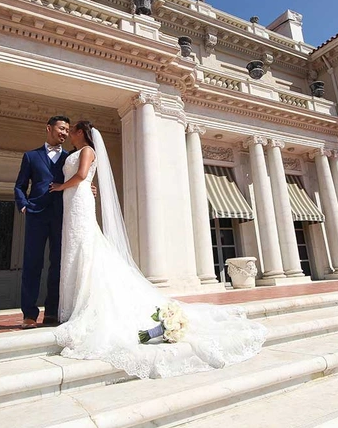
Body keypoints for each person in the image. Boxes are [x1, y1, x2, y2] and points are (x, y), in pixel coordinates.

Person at [49, 120, 267, 379]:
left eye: (72, 130)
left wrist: (62, 186)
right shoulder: (76, 152)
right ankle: (75, 302)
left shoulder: (86, 151)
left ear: (80, 133)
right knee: (78, 246)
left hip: (77, 196)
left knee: (85, 246)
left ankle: (83, 304)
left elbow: (83, 175)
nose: (70, 134)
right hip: (75, 199)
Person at [14, 115, 70, 329]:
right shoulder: (31, 156)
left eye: (67, 130)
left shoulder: (69, 158)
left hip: (61, 215)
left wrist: (88, 189)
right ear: (49, 128)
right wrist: (23, 205)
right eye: (61, 128)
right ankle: (29, 314)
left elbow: (77, 179)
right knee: (32, 264)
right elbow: (19, 185)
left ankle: (52, 313)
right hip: (36, 214)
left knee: (57, 264)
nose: (64, 133)